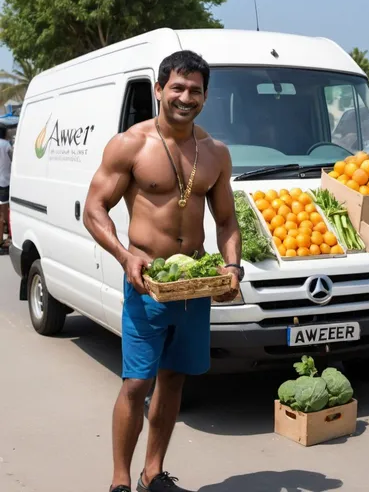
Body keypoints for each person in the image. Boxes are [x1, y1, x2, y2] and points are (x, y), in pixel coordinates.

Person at [83, 51, 242, 492]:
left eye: (195, 90)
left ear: (205, 97)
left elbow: (227, 221)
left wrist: (231, 266)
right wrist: (124, 254)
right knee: (137, 384)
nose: (185, 97)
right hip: (147, 284)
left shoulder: (215, 153)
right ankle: (119, 481)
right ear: (158, 90)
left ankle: (153, 474)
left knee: (173, 380)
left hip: (193, 286)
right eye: (177, 87)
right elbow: (94, 209)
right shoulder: (130, 145)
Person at [0, 126, 12, 255]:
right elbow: (13, 159)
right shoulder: (6, 145)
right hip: (5, 182)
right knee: (6, 212)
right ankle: (9, 238)